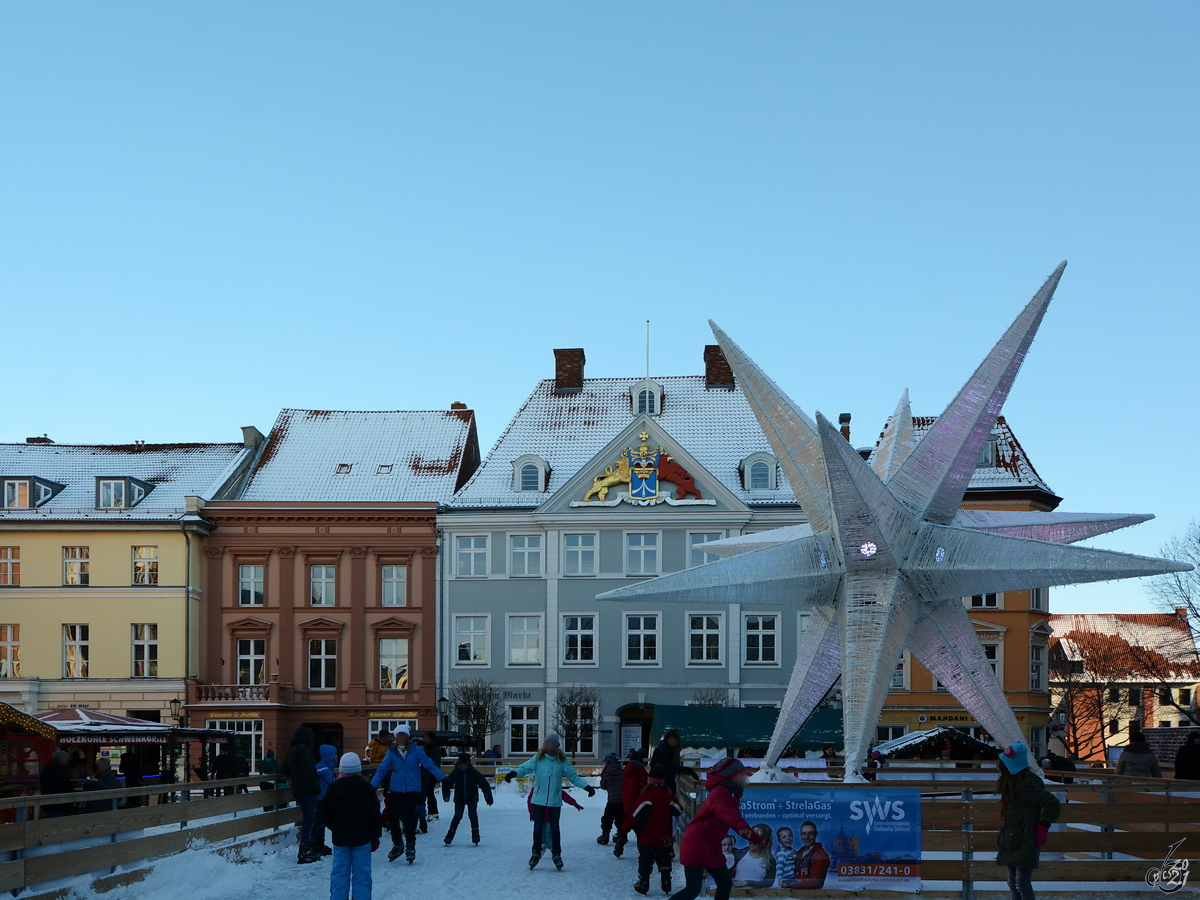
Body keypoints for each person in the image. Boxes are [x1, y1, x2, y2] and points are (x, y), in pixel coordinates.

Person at [667, 757, 762, 900]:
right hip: (696, 844)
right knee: (693, 889)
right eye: (742, 774)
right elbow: (726, 813)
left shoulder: (730, 794)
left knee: (724, 883)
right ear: (732, 775)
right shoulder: (720, 793)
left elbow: (734, 820)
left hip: (710, 846)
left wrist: (755, 838)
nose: (746, 778)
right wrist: (744, 828)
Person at [503, 732, 596, 870]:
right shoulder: (538, 759)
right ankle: (536, 852)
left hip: (554, 801)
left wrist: (587, 787)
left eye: (552, 744)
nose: (549, 746)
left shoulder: (562, 761)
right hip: (538, 800)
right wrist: (514, 773)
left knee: (554, 829)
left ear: (557, 746)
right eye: (547, 744)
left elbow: (573, 777)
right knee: (538, 828)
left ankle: (556, 854)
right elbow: (525, 768)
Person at [371, 724, 446, 864]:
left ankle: (410, 846)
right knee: (392, 818)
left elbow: (429, 765)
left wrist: (443, 778)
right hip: (396, 790)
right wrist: (372, 786)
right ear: (395, 737)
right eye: (398, 736)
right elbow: (382, 770)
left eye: (403, 735)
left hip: (412, 790)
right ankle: (398, 844)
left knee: (410, 820)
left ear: (407, 737)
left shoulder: (416, 750)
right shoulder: (392, 752)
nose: (400, 738)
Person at [995, 741, 1061, 900]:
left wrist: (1042, 827)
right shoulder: (1013, 783)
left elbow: (1051, 803)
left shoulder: (1026, 786)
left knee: (1022, 881)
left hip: (1025, 838)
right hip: (1013, 838)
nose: (998, 768)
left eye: (1001, 764)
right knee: (1013, 882)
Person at [324, 752, 382, 900]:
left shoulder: (333, 789)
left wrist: (335, 827)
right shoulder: (367, 789)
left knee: (339, 873)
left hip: (341, 839)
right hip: (362, 839)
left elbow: (324, 813)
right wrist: (375, 836)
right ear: (358, 769)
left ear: (341, 769)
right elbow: (375, 815)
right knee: (362, 875)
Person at [624, 763, 682, 895]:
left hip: (647, 836)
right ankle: (666, 882)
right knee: (664, 858)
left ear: (649, 781)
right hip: (664, 837)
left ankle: (644, 882)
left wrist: (623, 831)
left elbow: (634, 816)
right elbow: (678, 811)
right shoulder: (668, 797)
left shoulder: (645, 797)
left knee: (645, 859)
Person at [281, 726, 322, 864]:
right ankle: (305, 849)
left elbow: (285, 769)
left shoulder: (293, 750)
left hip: (298, 789)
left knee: (308, 818)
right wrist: (315, 787)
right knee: (309, 819)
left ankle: (307, 846)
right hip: (307, 790)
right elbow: (308, 771)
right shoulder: (304, 750)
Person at [441, 752, 493, 845]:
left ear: (469, 764)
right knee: (457, 816)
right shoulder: (456, 772)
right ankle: (449, 836)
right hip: (459, 798)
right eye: (462, 764)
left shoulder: (473, 773)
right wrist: (446, 795)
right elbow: (447, 783)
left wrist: (488, 798)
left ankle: (475, 835)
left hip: (472, 798)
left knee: (472, 815)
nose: (463, 766)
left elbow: (484, 784)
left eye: (465, 764)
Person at [614, 748, 648, 858]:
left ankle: (620, 843)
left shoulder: (626, 770)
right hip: (638, 803)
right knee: (640, 830)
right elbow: (643, 787)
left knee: (626, 826)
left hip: (627, 803)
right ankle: (643, 852)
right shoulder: (641, 771)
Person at [780, 821, 830, 889]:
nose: (806, 837)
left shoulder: (820, 855)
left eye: (810, 833)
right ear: (800, 835)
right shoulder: (799, 853)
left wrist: (790, 885)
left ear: (816, 834)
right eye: (804, 834)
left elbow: (814, 883)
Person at [311, 743, 338, 856]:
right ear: (329, 755)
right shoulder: (323, 768)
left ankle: (319, 843)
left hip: (323, 798)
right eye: (335, 754)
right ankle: (315, 844)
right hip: (320, 799)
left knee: (321, 822)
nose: (337, 756)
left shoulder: (327, 767)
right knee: (319, 822)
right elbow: (332, 783)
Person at [650, 730, 696, 796]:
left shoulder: (674, 752)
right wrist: (682, 769)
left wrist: (685, 770)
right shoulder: (660, 751)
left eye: (674, 740)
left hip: (669, 785)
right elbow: (664, 768)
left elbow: (673, 768)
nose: (673, 742)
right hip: (658, 785)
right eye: (671, 740)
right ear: (667, 739)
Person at [732, 824, 775, 888]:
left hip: (757, 896)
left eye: (755, 838)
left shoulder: (770, 860)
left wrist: (747, 883)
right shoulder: (738, 854)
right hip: (736, 894)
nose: (751, 841)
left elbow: (769, 882)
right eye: (750, 837)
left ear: (764, 841)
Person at [597, 751, 625, 845]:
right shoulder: (622, 771)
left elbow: (603, 785)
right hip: (622, 799)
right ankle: (621, 834)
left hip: (612, 800)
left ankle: (605, 835)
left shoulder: (606, 771)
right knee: (620, 817)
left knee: (607, 818)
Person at [419, 731, 443, 831]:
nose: (425, 739)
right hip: (426, 774)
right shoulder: (426, 748)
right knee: (428, 793)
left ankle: (433, 812)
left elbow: (435, 762)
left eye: (427, 737)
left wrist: (433, 773)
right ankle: (432, 812)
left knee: (429, 793)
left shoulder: (434, 748)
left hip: (430, 774)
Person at [40, 749, 75, 818]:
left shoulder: (50, 769)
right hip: (58, 805)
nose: (68, 761)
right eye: (66, 759)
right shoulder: (57, 771)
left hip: (55, 805)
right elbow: (63, 787)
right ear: (62, 759)